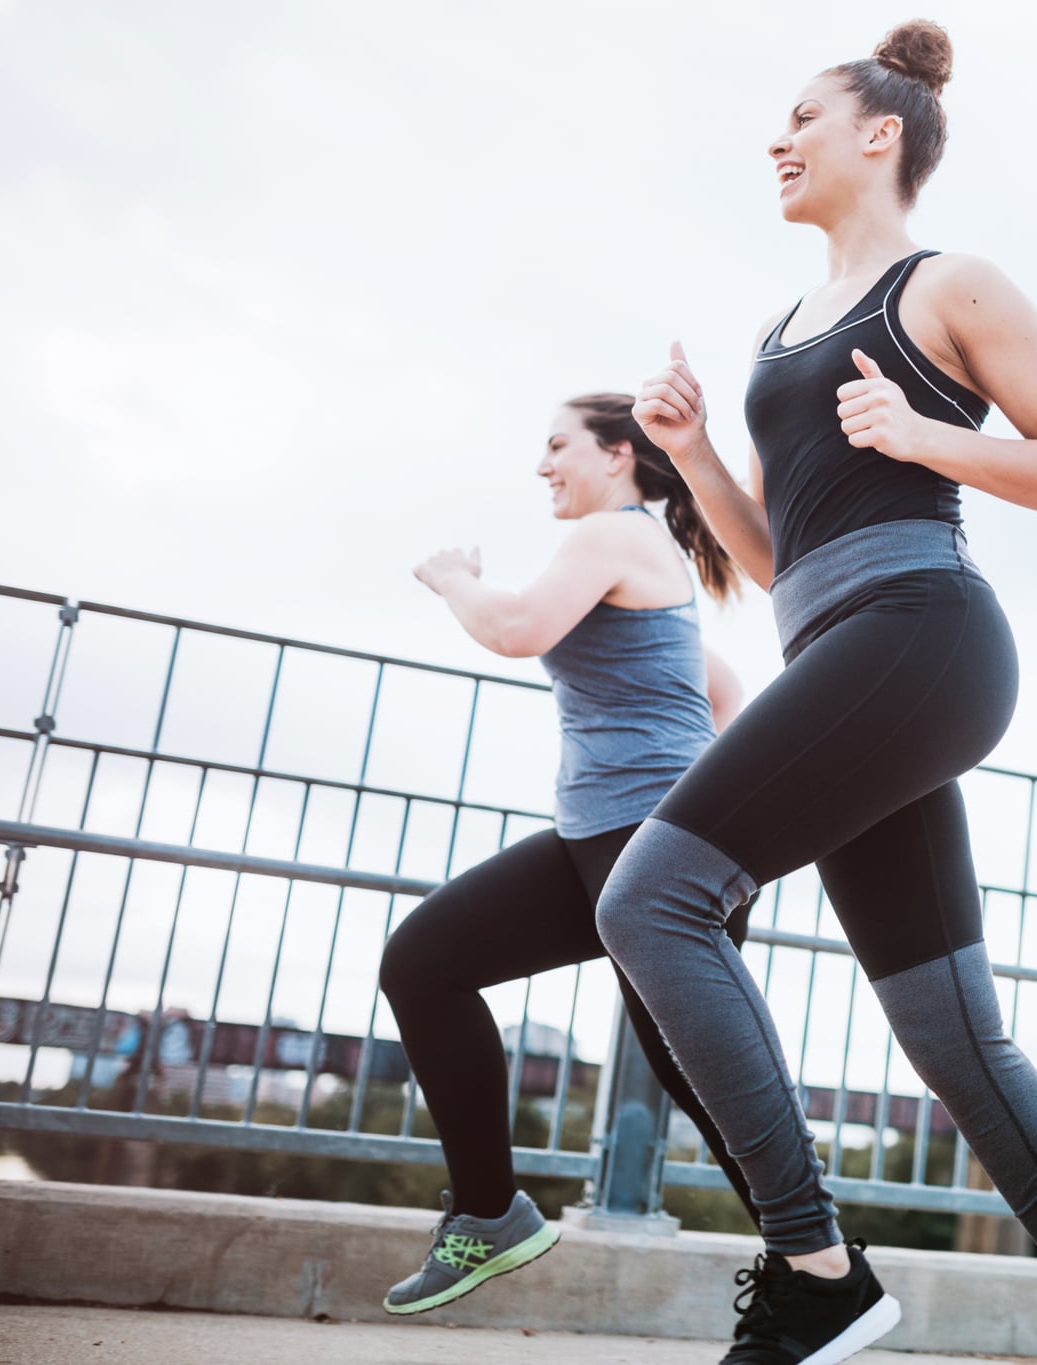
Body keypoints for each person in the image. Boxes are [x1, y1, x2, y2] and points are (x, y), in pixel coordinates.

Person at [601, 21, 1037, 1365]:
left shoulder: (951, 285)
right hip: (843, 652)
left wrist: (928, 434)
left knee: (650, 897)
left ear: (880, 134)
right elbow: (778, 565)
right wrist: (697, 457)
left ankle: (815, 1266)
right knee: (953, 1038)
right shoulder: (780, 333)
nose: (779, 139)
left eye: (803, 118)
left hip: (923, 633)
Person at [378, 393, 756, 1316]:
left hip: (653, 843)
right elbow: (721, 685)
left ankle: (821, 1252)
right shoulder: (637, 549)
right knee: (424, 962)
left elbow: (515, 631)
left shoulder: (611, 534)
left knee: (699, 1067)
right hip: (612, 836)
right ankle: (488, 1213)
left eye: (557, 445)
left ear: (618, 453)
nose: (543, 465)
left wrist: (453, 577)